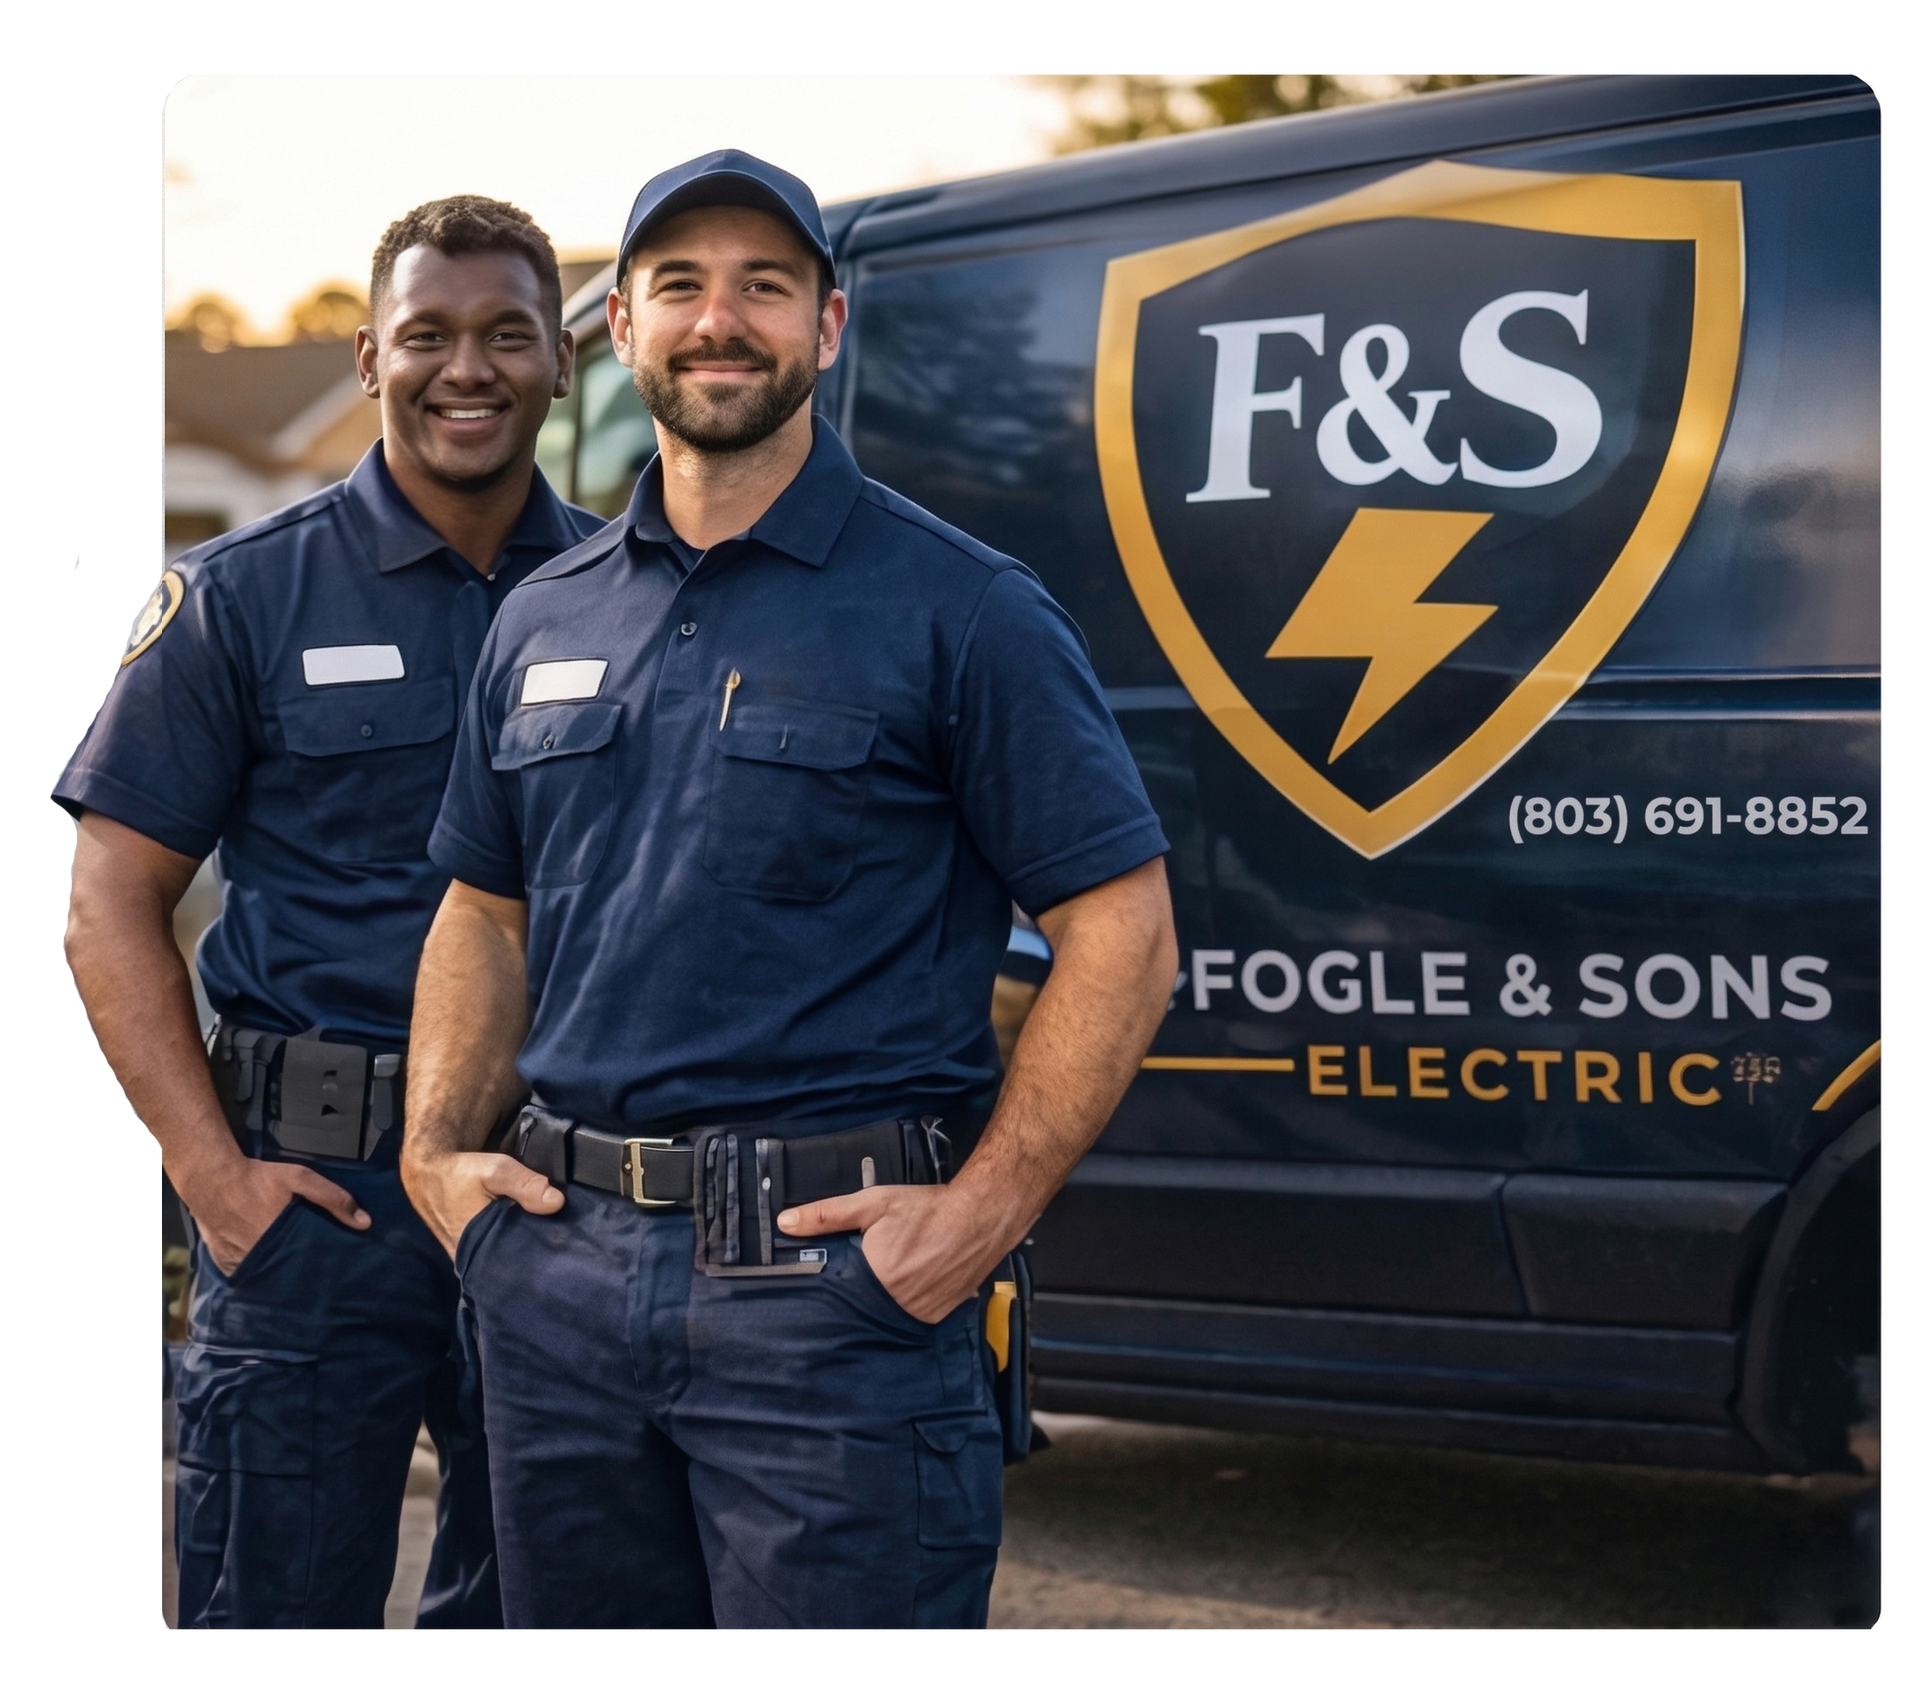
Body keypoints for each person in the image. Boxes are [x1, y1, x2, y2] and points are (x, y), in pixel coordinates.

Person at [401, 151, 1178, 1633]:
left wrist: (979, 1214)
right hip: (556, 1283)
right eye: (680, 286)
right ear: (618, 331)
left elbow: (1122, 935)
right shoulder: (538, 620)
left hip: (832, 1301)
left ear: (827, 328)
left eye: (766, 286)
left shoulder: (964, 607)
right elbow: (482, 911)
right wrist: (439, 1162)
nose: (720, 320)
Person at [57, 197, 603, 1631]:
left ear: (560, 362)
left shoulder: (634, 595)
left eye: (507, 334)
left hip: (554, 1201)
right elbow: (109, 902)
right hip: (315, 1200)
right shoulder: (241, 596)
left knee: (550, 1600)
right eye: (427, 334)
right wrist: (215, 1185)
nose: (465, 368)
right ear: (367, 357)